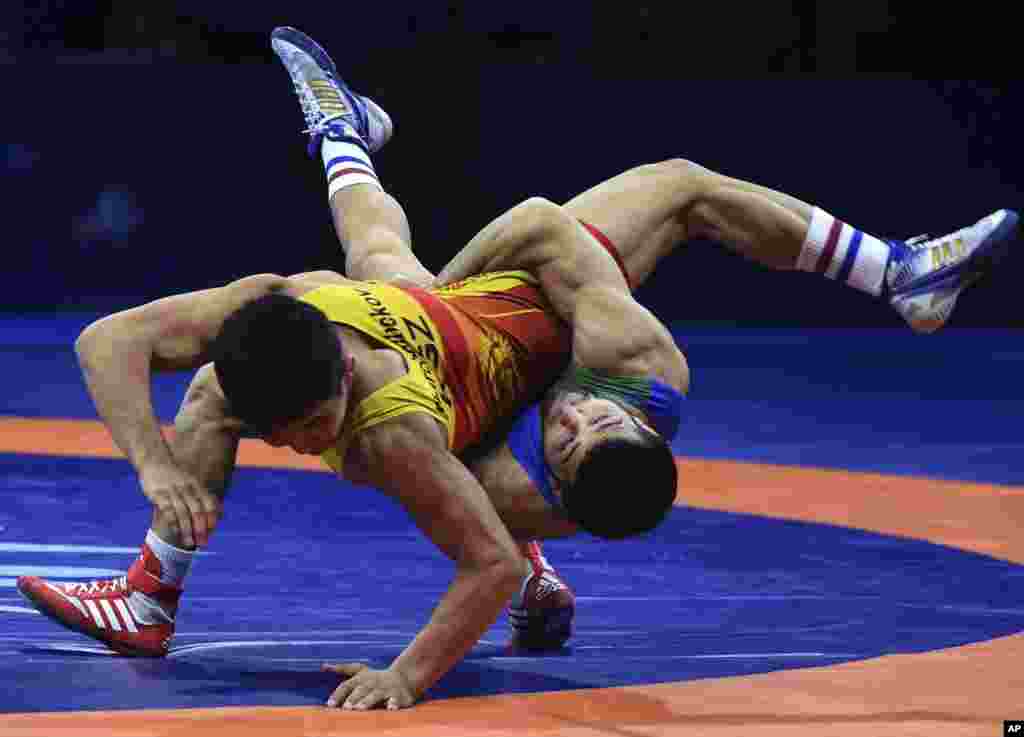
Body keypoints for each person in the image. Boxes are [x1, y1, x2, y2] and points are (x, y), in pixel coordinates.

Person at [18, 26, 1016, 712]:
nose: (570, 422)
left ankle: (154, 592)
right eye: (583, 422)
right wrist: (154, 466)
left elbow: (481, 553)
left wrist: (409, 674)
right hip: (472, 322)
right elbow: (538, 224)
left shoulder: (504, 418)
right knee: (651, 191)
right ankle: (894, 271)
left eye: (571, 437)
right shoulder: (614, 344)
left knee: (450, 455)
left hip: (462, 383)